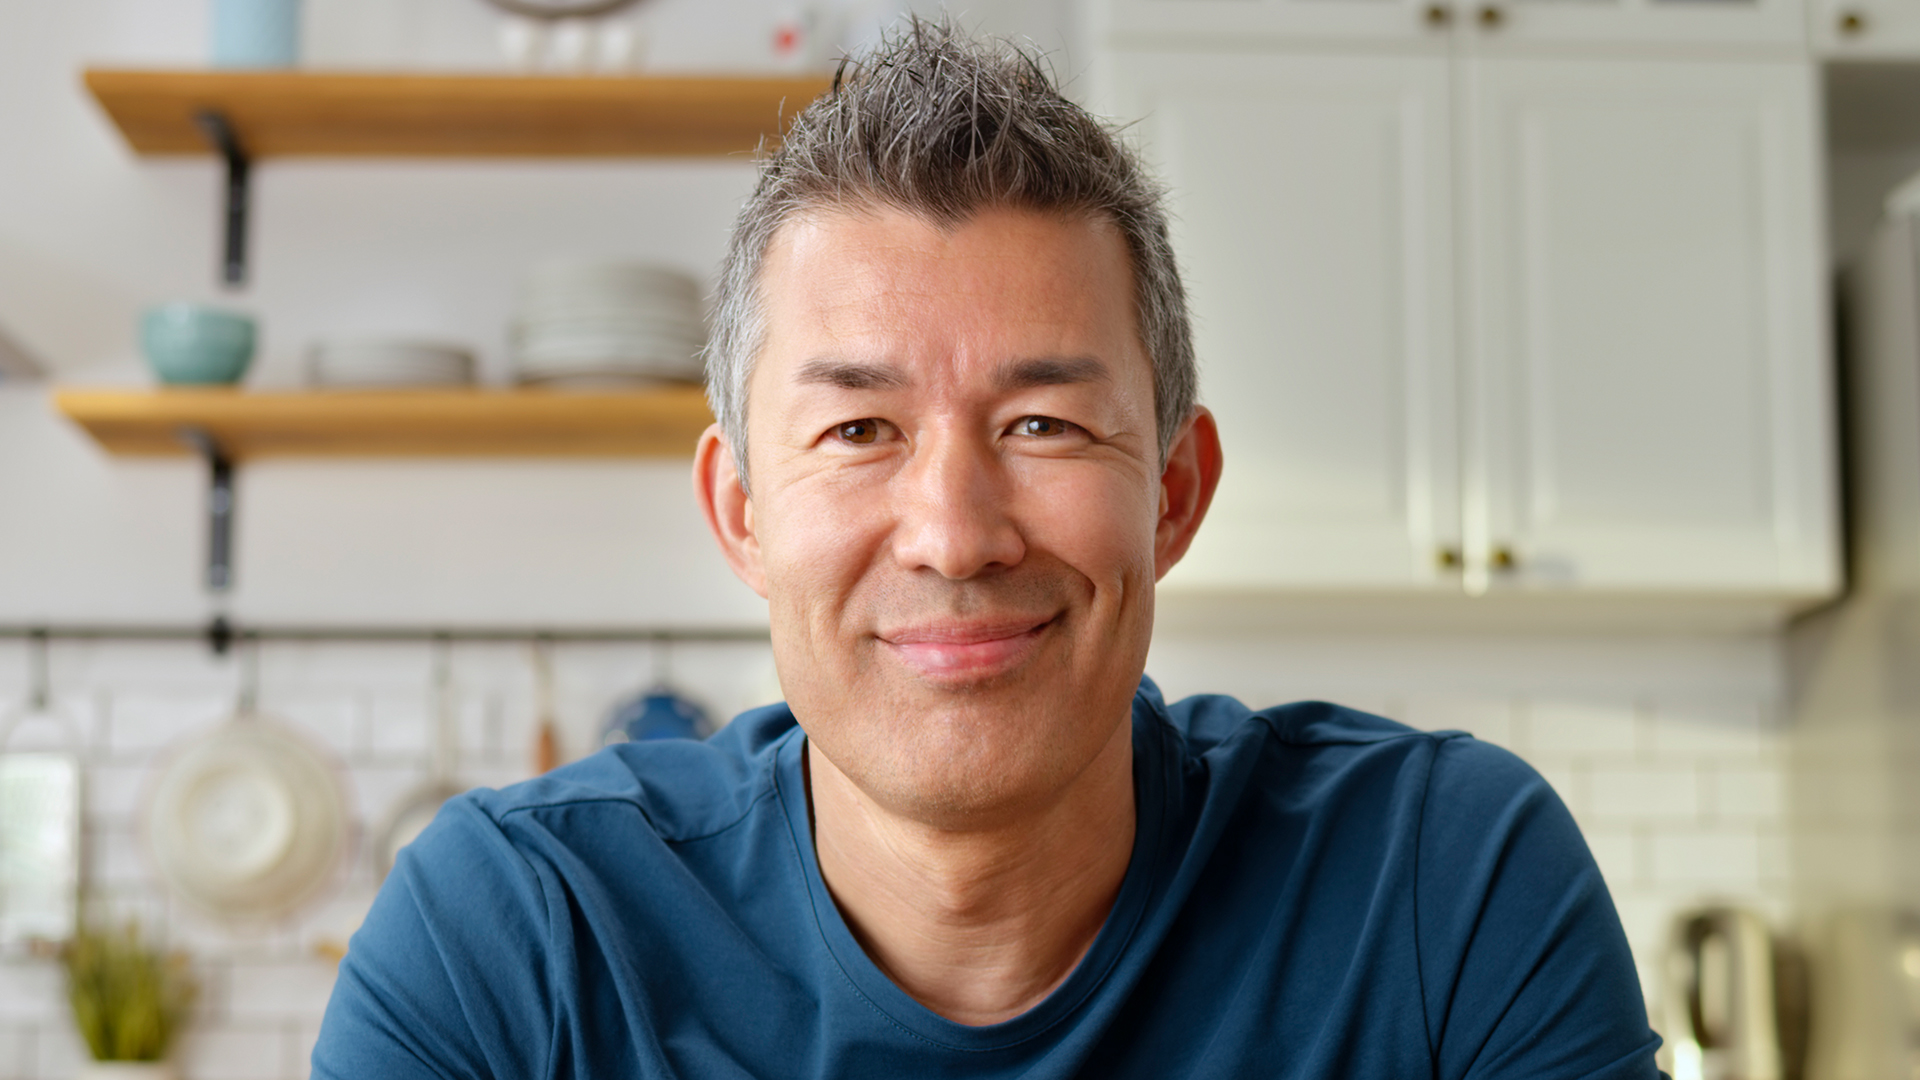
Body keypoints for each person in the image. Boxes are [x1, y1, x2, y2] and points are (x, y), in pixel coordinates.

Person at [312, 22, 1662, 1078]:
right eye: (858, 429)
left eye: (1043, 422)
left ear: (1176, 491)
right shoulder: (512, 934)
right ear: (741, 516)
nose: (955, 534)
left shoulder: (1442, 882)